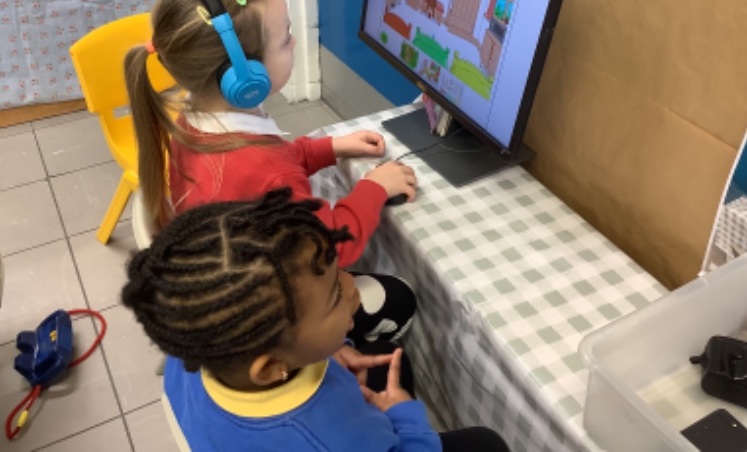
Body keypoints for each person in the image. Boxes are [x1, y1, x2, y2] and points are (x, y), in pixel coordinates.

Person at [124, 0, 417, 346]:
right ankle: (342, 358)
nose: (293, 43)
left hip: (233, 279)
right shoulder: (265, 167)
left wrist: (329, 148)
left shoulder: (196, 118)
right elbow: (332, 248)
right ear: (244, 79)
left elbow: (269, 166)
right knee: (398, 298)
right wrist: (374, 188)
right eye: (285, 38)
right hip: (271, 314)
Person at [122, 189, 510, 452]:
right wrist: (404, 416)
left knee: (388, 354)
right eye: (336, 295)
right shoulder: (331, 438)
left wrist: (331, 353)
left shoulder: (197, 345)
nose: (353, 287)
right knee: (486, 443)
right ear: (271, 367)